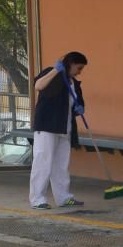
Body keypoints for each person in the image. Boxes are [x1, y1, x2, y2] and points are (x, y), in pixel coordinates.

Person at [29, 52, 87, 209]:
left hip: (65, 128)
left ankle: (63, 197)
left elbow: (76, 105)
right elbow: (38, 86)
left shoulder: (74, 83)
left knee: (61, 164)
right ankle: (37, 199)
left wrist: (79, 108)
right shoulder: (51, 73)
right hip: (47, 126)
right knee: (43, 161)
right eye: (79, 68)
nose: (80, 71)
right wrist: (56, 70)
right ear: (71, 63)